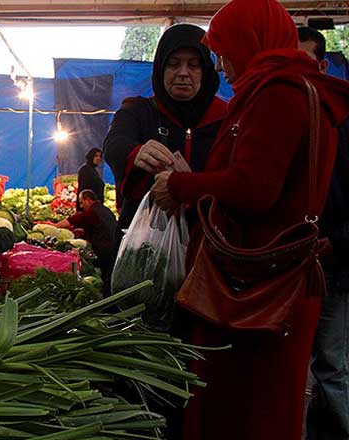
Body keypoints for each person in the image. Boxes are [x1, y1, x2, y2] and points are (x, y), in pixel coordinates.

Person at [149, 1, 349, 439]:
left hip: (257, 286)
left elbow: (255, 188)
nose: (220, 64)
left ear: (250, 41)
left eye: (224, 50)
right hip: (270, 279)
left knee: (245, 409)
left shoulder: (279, 93)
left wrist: (184, 186)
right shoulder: (291, 87)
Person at [103, 23, 228, 230]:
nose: (183, 73)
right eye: (173, 64)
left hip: (209, 240)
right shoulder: (137, 110)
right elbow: (114, 144)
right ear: (160, 67)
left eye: (194, 65)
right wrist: (136, 153)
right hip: (146, 240)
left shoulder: (227, 117)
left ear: (206, 70)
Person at [299, 26, 349, 440]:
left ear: (321, 64)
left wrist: (336, 241)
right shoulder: (283, 117)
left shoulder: (343, 119)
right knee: (294, 364)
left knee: (331, 366)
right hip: (292, 266)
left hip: (336, 264)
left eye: (304, 61)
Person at [56, 189, 118, 297]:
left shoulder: (92, 212)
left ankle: (105, 301)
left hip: (103, 251)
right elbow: (99, 227)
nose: (81, 205)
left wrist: (53, 226)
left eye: (81, 202)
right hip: (114, 248)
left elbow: (69, 222)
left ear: (88, 200)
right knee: (108, 277)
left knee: (105, 279)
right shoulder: (105, 210)